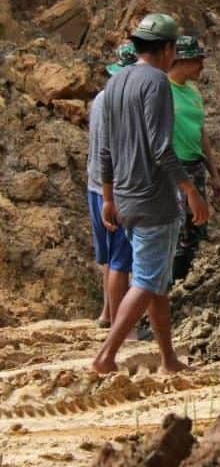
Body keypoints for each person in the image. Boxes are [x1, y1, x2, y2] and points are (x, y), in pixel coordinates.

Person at [92, 13, 210, 375]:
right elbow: (161, 148)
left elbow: (105, 149)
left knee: (155, 280)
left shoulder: (116, 83)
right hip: (153, 198)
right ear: (169, 49)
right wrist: (191, 191)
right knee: (145, 281)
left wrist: (108, 198)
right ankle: (106, 356)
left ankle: (168, 359)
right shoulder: (156, 82)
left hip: (123, 196)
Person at [168, 36, 220, 282]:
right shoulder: (162, 90)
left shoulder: (192, 92)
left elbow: (201, 134)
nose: (202, 65)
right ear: (182, 60)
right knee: (177, 231)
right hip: (173, 169)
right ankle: (163, 291)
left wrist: (215, 175)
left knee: (194, 230)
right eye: (198, 60)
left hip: (195, 166)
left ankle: (177, 284)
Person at [88, 43, 136, 329]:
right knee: (121, 259)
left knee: (108, 256)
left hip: (95, 186)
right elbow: (114, 152)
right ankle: (122, 325)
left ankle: (107, 313)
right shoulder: (121, 104)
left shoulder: (100, 98)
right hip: (116, 190)